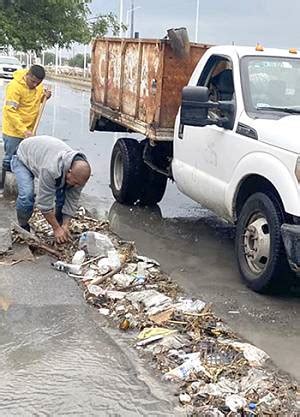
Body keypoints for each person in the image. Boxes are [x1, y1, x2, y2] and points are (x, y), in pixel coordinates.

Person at [11, 136, 91, 244]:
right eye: (75, 183)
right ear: (69, 171)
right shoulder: (51, 169)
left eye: (79, 185)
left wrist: (65, 225)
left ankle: (60, 230)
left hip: (42, 158)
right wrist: (56, 228)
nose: (76, 186)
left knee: (63, 196)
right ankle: (23, 226)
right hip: (22, 157)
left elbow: (72, 200)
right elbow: (44, 204)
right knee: (27, 196)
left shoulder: (80, 175)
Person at [2, 64, 51, 172]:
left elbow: (37, 100)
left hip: (29, 130)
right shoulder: (14, 87)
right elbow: (10, 111)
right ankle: (3, 184)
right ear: (27, 75)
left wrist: (45, 97)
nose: (35, 85)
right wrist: (23, 130)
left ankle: (18, 183)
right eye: (33, 81)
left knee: (24, 159)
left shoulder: (38, 86)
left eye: (38, 83)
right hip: (13, 131)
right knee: (9, 159)